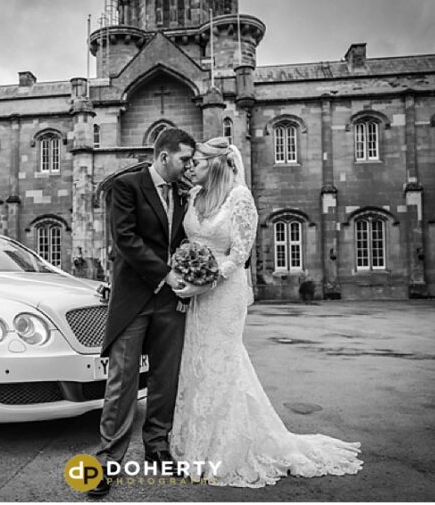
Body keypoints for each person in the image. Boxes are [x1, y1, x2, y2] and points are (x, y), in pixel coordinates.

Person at [170, 137, 363, 487]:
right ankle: (196, 442)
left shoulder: (240, 198)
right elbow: (189, 242)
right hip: (197, 296)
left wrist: (206, 281)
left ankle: (227, 447)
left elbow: (239, 254)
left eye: (196, 162)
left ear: (215, 163)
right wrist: (184, 272)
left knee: (222, 361)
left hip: (222, 293)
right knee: (196, 360)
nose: (190, 167)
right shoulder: (195, 195)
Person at [90, 128, 196, 497]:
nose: (189, 166)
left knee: (165, 377)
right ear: (164, 156)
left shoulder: (184, 193)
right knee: (122, 381)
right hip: (133, 299)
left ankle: (157, 446)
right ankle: (108, 461)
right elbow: (126, 239)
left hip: (171, 301)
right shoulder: (126, 186)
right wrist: (166, 274)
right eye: (184, 159)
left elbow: (186, 241)